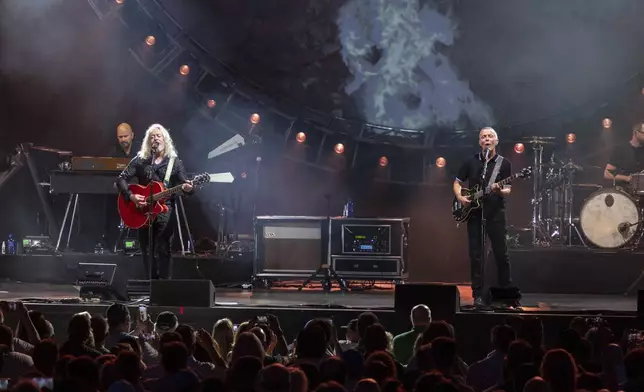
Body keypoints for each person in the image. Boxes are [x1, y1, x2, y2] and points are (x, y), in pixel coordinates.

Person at [116, 124, 194, 279]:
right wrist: (131, 196)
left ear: (165, 139)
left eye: (158, 135)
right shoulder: (141, 160)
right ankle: (151, 283)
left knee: (164, 247)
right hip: (143, 210)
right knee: (146, 249)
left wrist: (188, 188)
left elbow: (187, 186)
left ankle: (164, 286)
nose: (155, 138)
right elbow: (121, 179)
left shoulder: (174, 162)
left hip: (165, 209)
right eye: (152, 136)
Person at [453, 127, 514, 307]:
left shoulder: (504, 163)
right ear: (479, 142)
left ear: (496, 140)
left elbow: (509, 189)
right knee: (476, 255)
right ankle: (477, 294)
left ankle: (506, 293)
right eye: (483, 137)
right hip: (474, 214)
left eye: (490, 136)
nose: (487, 139)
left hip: (496, 213)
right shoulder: (470, 162)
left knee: (501, 254)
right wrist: (460, 197)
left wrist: (499, 190)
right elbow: (457, 182)